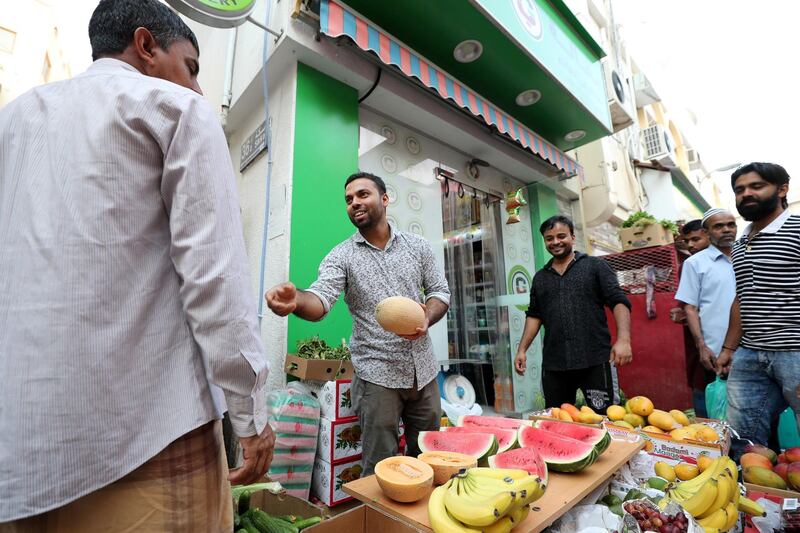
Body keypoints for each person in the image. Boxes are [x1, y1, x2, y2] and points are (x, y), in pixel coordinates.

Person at [0, 1, 274, 529]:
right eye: (191, 67)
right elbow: (215, 283)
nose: (195, 87)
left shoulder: (10, 123)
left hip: (19, 455)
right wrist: (252, 416)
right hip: (146, 442)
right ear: (146, 46)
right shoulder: (176, 109)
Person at [265, 172, 450, 475]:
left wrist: (425, 317)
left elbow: (440, 292)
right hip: (376, 378)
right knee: (381, 468)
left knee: (429, 459)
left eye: (363, 194)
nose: (354, 203)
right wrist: (296, 300)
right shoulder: (342, 256)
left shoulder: (418, 247)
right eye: (349, 199)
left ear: (385, 199)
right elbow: (320, 300)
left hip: (424, 372)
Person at [718, 162, 800, 454]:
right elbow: (743, 296)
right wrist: (729, 349)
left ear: (781, 190)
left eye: (756, 186)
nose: (746, 194)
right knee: (743, 437)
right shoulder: (740, 244)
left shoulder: (797, 229)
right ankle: (755, 495)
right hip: (750, 355)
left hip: (794, 351)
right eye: (739, 190)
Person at [514, 215, 632, 411]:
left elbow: (618, 301)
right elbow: (535, 315)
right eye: (549, 238)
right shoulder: (540, 278)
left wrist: (624, 340)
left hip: (595, 359)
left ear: (573, 237)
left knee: (604, 418)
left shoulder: (595, 266)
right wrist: (522, 349)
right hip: (555, 364)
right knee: (558, 420)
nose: (556, 242)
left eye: (561, 236)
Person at [674, 209, 737, 417]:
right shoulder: (695, 263)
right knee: (721, 414)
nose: (726, 230)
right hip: (716, 350)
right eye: (719, 226)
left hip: (753, 347)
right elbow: (689, 307)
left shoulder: (747, 255)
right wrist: (702, 345)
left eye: (730, 224)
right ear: (708, 233)